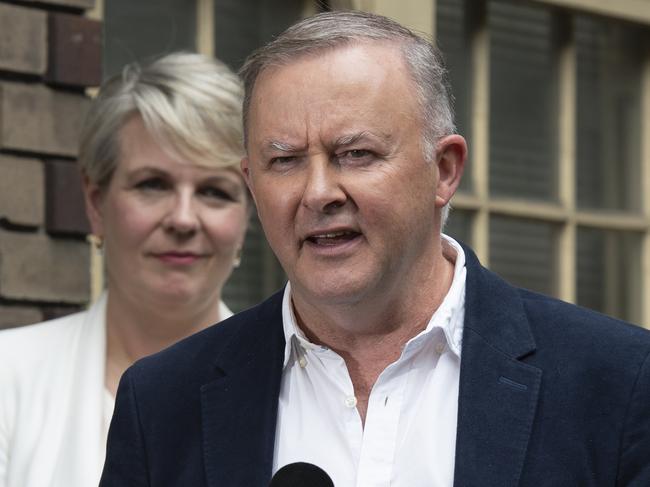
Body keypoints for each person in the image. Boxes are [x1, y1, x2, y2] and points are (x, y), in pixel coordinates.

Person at [99, 11, 650, 487]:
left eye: (356, 153)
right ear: (251, 182)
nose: (317, 193)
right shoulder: (162, 402)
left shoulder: (617, 382)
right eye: (284, 161)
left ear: (445, 170)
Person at [0, 52, 250, 487]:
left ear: (247, 218)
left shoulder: (290, 391)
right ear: (96, 205)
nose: (184, 219)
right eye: (153, 185)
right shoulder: (8, 379)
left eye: (215, 191)